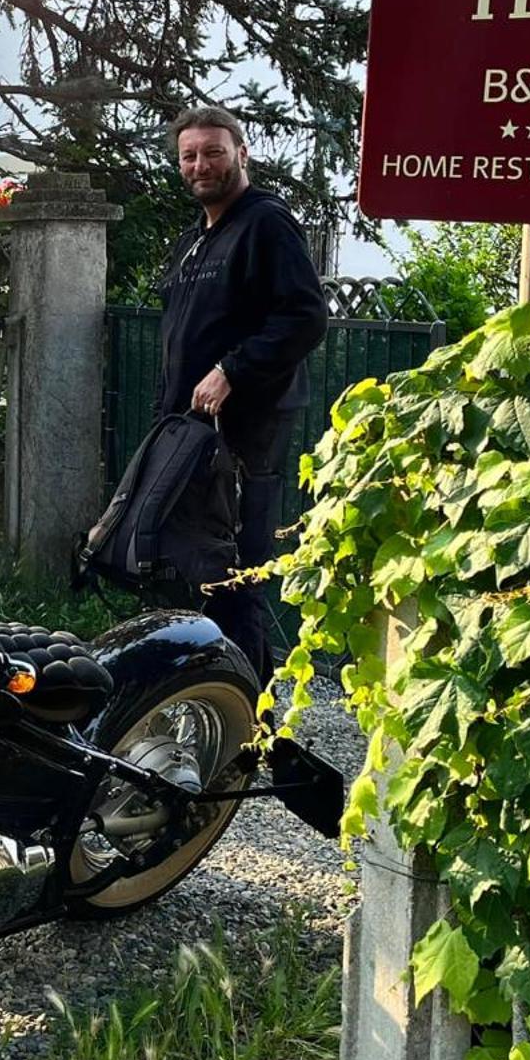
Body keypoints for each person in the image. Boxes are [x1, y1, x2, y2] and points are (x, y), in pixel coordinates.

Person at [156, 105, 328, 682]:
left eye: (213, 152)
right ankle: (208, 713)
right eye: (189, 155)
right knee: (192, 582)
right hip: (189, 439)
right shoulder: (193, 241)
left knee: (235, 586)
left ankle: (254, 733)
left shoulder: (266, 224)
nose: (200, 165)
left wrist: (233, 369)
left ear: (242, 154)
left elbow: (304, 317)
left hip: (244, 445)